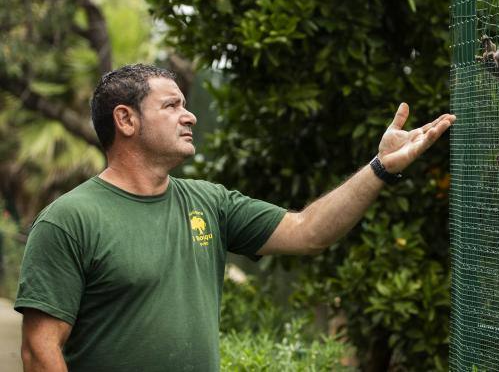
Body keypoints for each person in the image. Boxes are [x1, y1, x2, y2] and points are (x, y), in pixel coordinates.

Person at [14, 64, 455, 371]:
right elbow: (39, 351)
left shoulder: (210, 203)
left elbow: (308, 232)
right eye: (170, 106)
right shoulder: (69, 220)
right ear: (125, 120)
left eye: (185, 104)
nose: (189, 115)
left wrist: (379, 169)